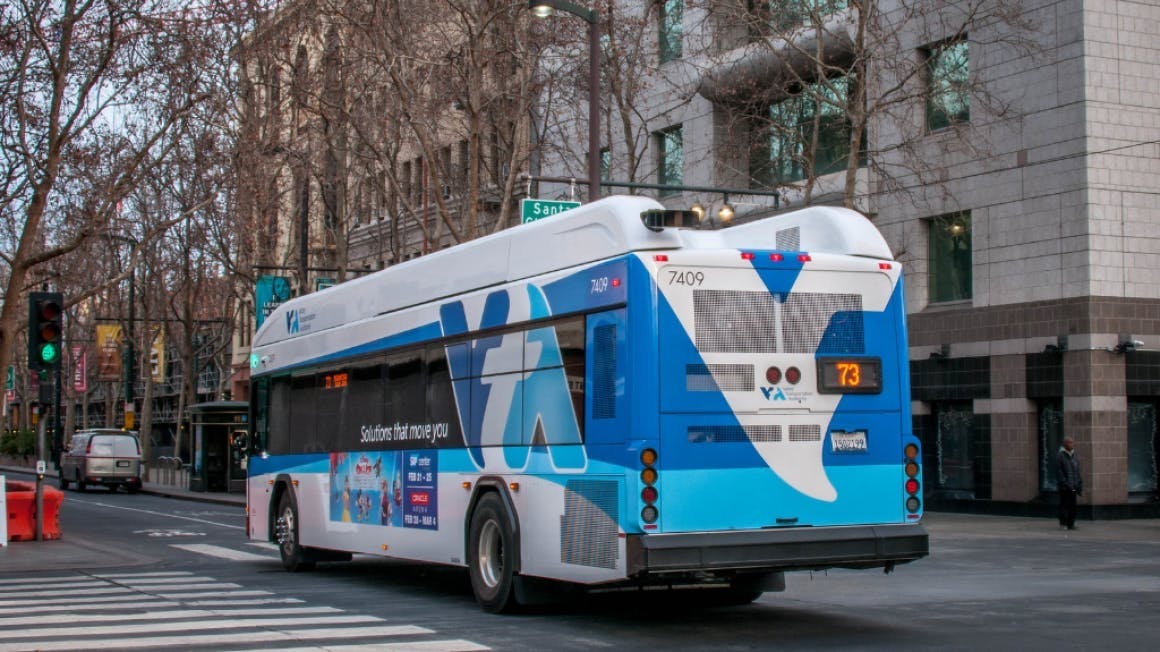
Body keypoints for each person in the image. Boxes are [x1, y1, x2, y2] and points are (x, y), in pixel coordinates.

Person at [1056, 436, 1083, 530]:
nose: (1072, 444)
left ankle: (1071, 523)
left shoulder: (1074, 455)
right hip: (1065, 487)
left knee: (1073, 505)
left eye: (1073, 443)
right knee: (1064, 505)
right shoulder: (1060, 455)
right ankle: (1063, 523)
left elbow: (1077, 470)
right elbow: (1059, 472)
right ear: (1065, 444)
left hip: (1074, 485)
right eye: (1070, 443)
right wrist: (1065, 483)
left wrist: (1079, 483)